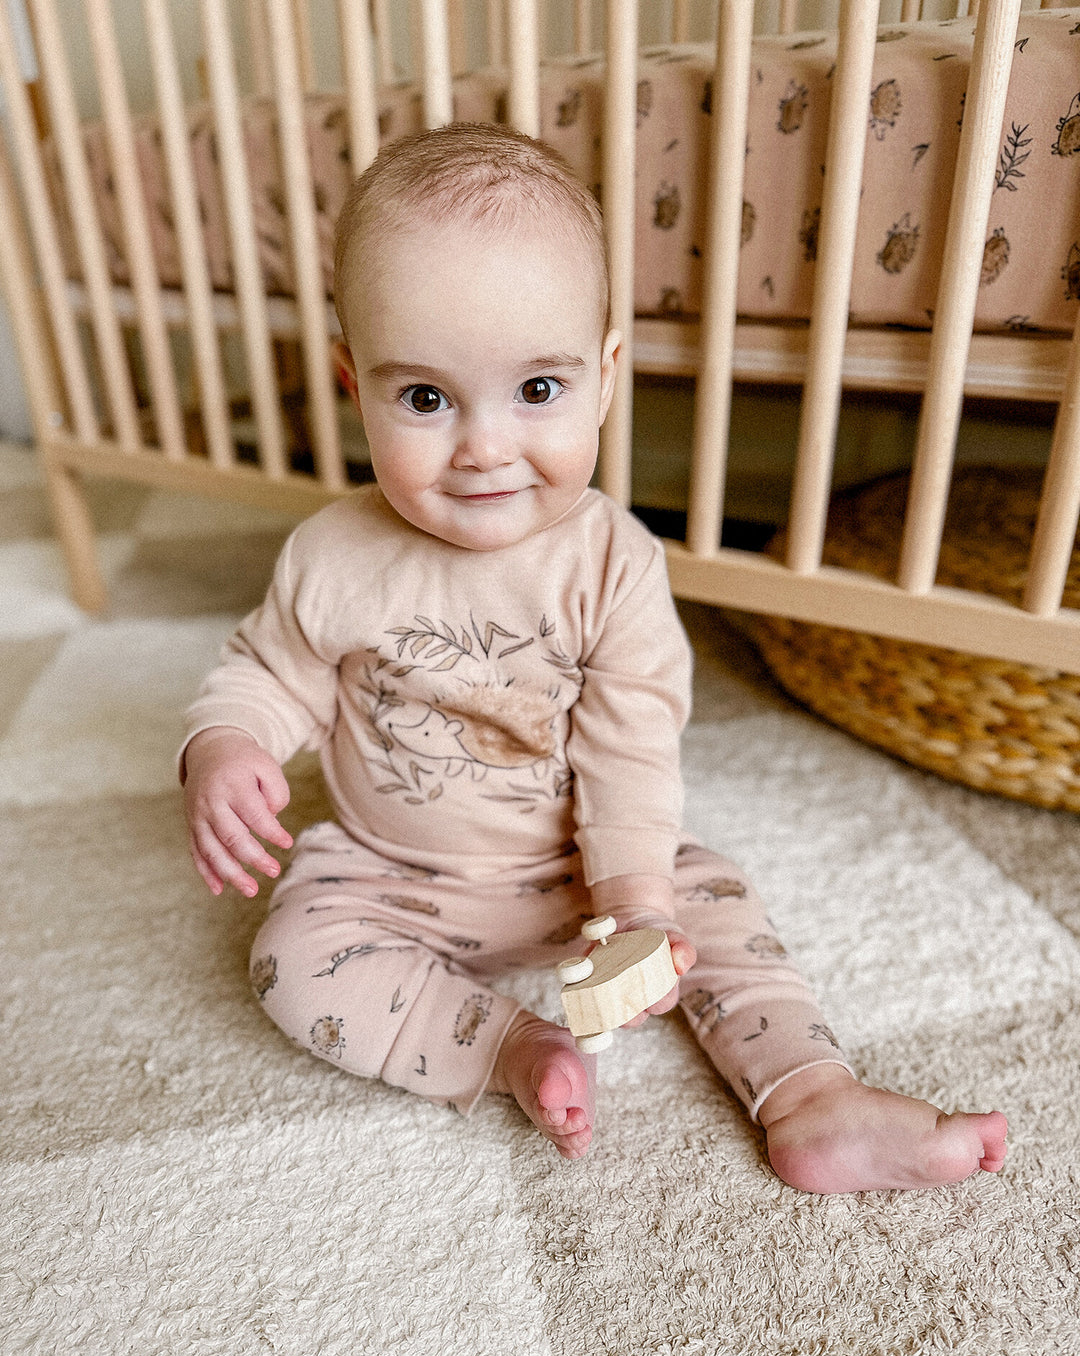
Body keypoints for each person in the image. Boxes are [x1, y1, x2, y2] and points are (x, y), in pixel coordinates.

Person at [181, 122, 1007, 1191]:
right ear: (356, 387)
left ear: (605, 376)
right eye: (425, 399)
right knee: (288, 957)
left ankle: (810, 1096)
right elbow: (268, 666)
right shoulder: (332, 555)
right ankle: (504, 1047)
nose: (484, 447)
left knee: (711, 900)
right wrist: (227, 743)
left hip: (577, 866)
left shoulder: (612, 564)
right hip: (392, 874)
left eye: (537, 391)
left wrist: (632, 898)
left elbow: (630, 747)